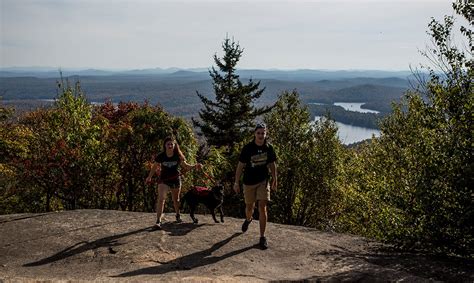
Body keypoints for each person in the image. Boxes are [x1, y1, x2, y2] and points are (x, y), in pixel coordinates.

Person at [233, 123, 277, 249]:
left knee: (262, 207)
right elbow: (240, 166)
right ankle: (248, 219)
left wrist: (275, 179)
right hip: (249, 182)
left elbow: (272, 164)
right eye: (258, 133)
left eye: (263, 133)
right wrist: (236, 182)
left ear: (266, 134)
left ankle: (262, 237)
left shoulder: (269, 148)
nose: (261, 135)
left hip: (263, 181)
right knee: (249, 208)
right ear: (254, 134)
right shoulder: (248, 148)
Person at [146, 136, 201, 229]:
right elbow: (154, 167)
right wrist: (149, 177)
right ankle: (158, 221)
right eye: (168, 144)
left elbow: (186, 166)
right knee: (161, 199)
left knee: (176, 200)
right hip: (164, 180)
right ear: (165, 145)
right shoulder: (161, 156)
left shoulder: (178, 156)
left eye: (172, 144)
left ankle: (177, 215)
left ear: (175, 145)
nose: (170, 145)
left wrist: (195, 166)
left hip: (175, 180)